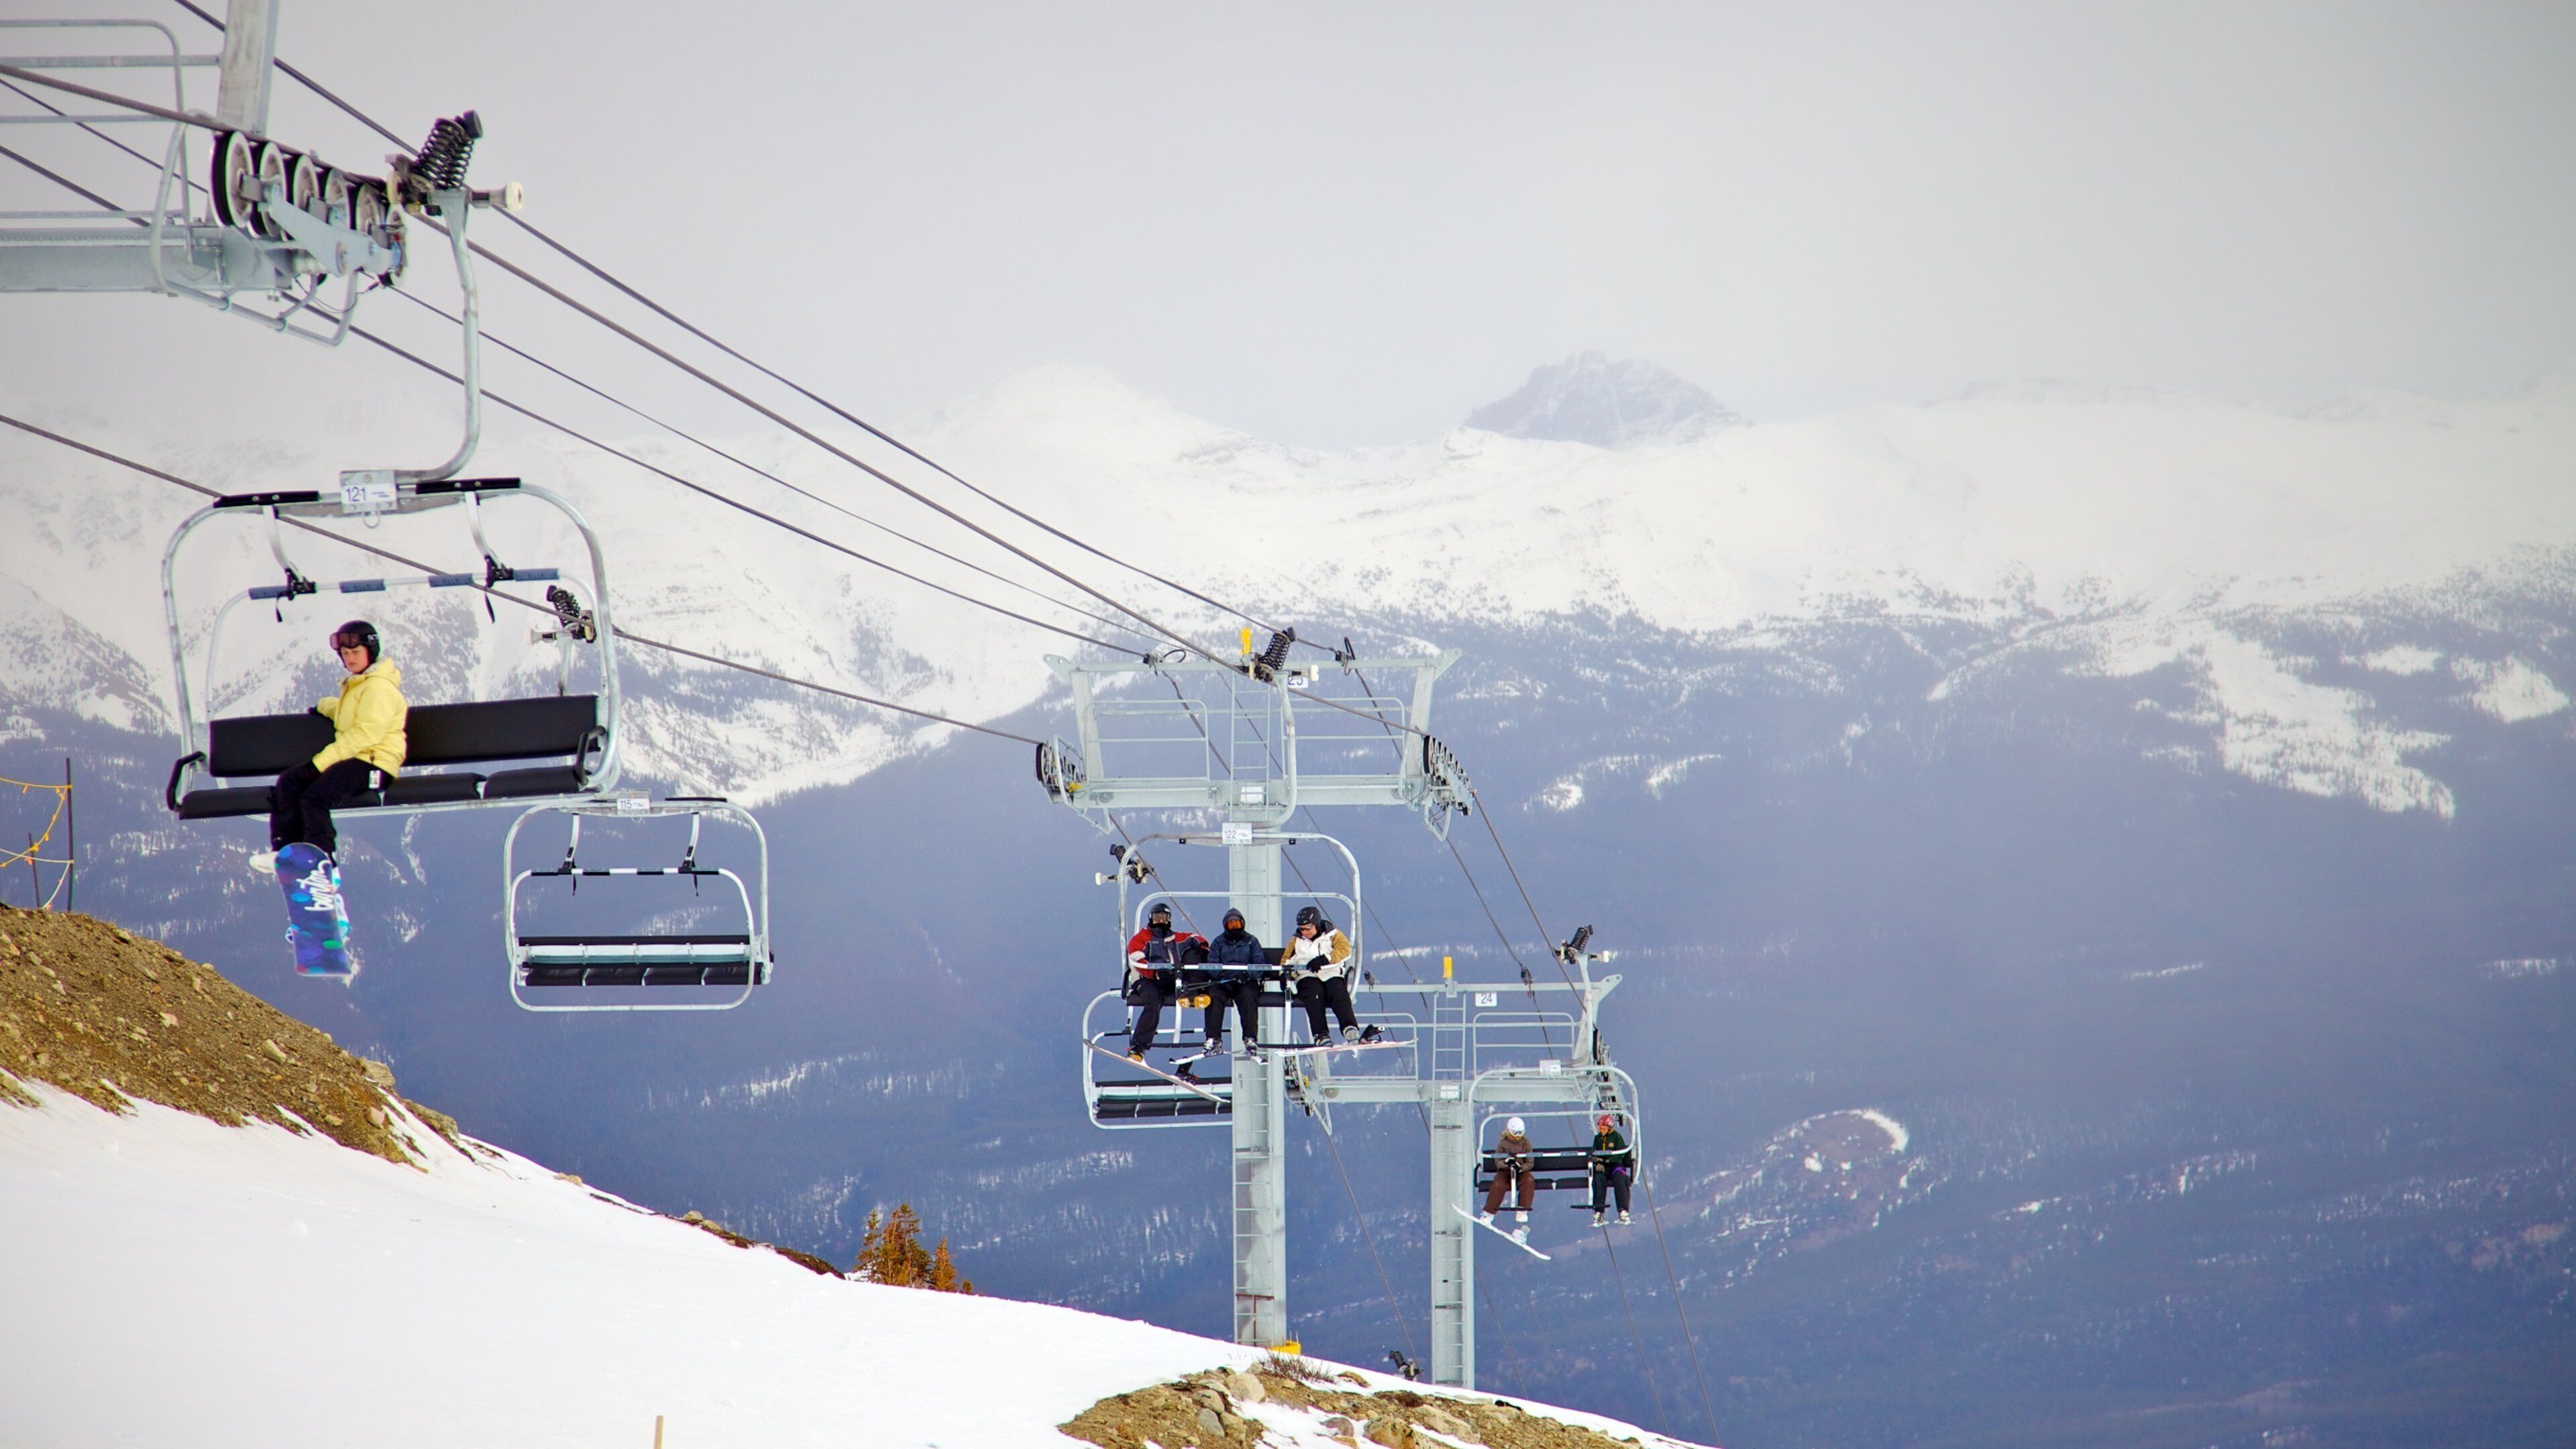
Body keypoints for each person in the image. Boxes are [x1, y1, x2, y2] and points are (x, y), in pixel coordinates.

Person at [249, 620, 406, 874]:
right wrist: (328, 707)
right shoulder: (360, 684)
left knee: (316, 796)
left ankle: (321, 857)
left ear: (370, 652)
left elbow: (365, 734)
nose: (350, 658)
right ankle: (285, 849)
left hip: (375, 763)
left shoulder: (378, 688)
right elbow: (353, 715)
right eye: (345, 654)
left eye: (355, 652)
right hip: (356, 758)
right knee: (290, 781)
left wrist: (318, 765)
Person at [1281, 904, 1377, 1045]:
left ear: (1317, 924)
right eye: (1302, 929)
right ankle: (1321, 1035)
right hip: (1307, 975)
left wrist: (1327, 959)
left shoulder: (1333, 935)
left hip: (1330, 972)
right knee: (1314, 996)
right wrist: (1286, 975)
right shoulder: (1296, 941)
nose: (1305, 932)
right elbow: (1286, 960)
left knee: (1338, 992)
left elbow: (1345, 949)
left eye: (1308, 928)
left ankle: (1350, 1028)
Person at [1122, 902, 1205, 1061]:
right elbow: (1136, 960)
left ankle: (1194, 994)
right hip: (1146, 980)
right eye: (1157, 917)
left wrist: (1203, 946)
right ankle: (1138, 1048)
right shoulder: (1141, 939)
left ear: (1169, 919)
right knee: (1153, 1002)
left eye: (1164, 918)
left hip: (1170, 978)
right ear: (1151, 919)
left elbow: (1194, 937)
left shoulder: (1175, 939)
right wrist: (1155, 973)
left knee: (1193, 965)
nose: (1160, 921)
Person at [1199, 906, 1267, 1058]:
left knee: (1248, 997)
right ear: (1226, 926)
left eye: (1237, 924)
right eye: (1231, 925)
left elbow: (1259, 964)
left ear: (1243, 924)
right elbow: (1212, 965)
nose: (1235, 927)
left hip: (1245, 981)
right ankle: (1213, 1038)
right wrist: (1222, 975)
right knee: (1214, 997)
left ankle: (1250, 1038)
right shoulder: (1219, 942)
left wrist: (1247, 975)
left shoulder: (1251, 941)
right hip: (1224, 981)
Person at [1479, 1116, 1537, 1240]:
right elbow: (1498, 1160)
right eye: (1515, 1133)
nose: (1517, 1136)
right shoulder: (1503, 1144)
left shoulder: (1526, 1143)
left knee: (1529, 1181)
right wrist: (1506, 1164)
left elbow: (1530, 1161)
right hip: (1506, 1172)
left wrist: (1521, 1167)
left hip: (1520, 1171)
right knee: (1499, 1184)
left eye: (1520, 1133)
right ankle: (1488, 1213)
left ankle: (1522, 1210)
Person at [1587, 1112, 1634, 1227]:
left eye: (1604, 1128)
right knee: (1598, 1179)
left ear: (1610, 1128)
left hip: (1614, 1165)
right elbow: (1593, 1153)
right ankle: (1598, 1212)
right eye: (1600, 1128)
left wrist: (1607, 1161)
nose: (1602, 1131)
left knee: (1620, 1178)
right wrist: (1598, 1162)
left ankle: (1623, 1210)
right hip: (1603, 1166)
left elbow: (1620, 1154)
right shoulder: (1598, 1139)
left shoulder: (1617, 1138)